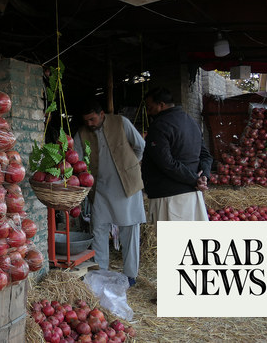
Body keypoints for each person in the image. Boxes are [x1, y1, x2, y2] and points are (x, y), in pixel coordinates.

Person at [73, 99, 146, 287]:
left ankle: (130, 275)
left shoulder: (121, 122)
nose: (90, 123)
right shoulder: (82, 133)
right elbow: (77, 159)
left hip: (126, 186)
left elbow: (140, 146)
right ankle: (101, 271)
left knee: (129, 231)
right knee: (98, 228)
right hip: (100, 189)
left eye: (92, 119)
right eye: (86, 120)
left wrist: (130, 166)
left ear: (102, 114)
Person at [141, 87, 212, 221]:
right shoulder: (192, 122)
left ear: (161, 105)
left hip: (170, 197)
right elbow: (206, 156)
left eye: (150, 108)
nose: (148, 112)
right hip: (191, 194)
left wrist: (197, 180)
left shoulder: (159, 125)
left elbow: (166, 162)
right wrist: (203, 177)